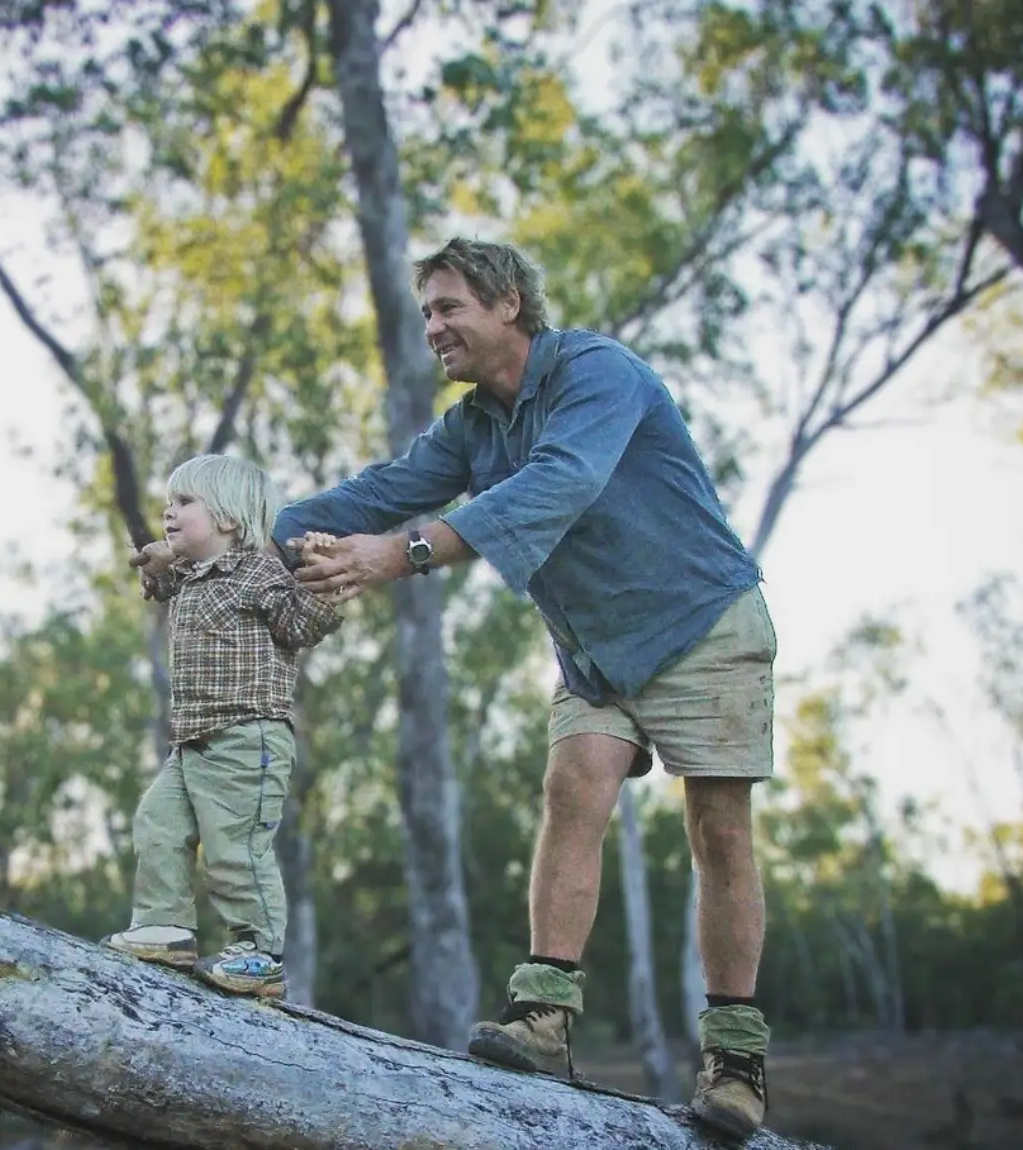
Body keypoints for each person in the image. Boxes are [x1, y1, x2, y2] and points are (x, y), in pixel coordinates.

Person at [274, 238, 777, 1137]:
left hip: (701, 622)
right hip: (597, 652)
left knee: (719, 831)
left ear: (508, 304)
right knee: (572, 788)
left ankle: (736, 1063)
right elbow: (384, 489)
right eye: (426, 311)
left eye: (448, 306)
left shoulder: (596, 371)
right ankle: (544, 1018)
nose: (433, 326)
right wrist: (247, 540)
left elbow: (563, 482)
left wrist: (406, 553)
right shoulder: (475, 426)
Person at [106, 453, 342, 1000]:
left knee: (235, 849)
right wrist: (158, 560)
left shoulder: (258, 572)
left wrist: (323, 580)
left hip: (246, 738)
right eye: (168, 502)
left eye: (184, 503)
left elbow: (301, 623)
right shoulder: (188, 576)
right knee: (157, 823)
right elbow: (164, 572)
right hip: (191, 740)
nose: (168, 512)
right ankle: (164, 927)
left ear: (229, 521)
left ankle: (261, 954)